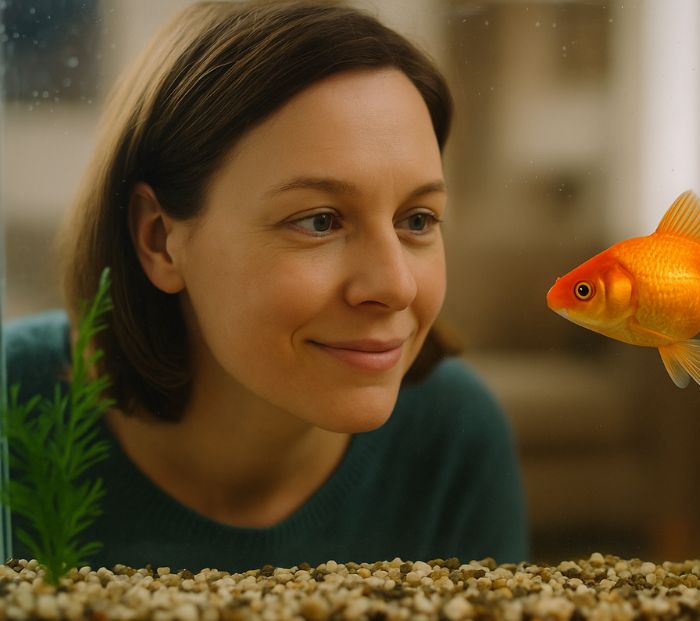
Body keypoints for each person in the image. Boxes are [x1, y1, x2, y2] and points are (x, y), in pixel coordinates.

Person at [4, 0, 528, 572]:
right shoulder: (11, 408)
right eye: (320, 221)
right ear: (158, 239)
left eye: (418, 220)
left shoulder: (452, 438)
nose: (396, 286)